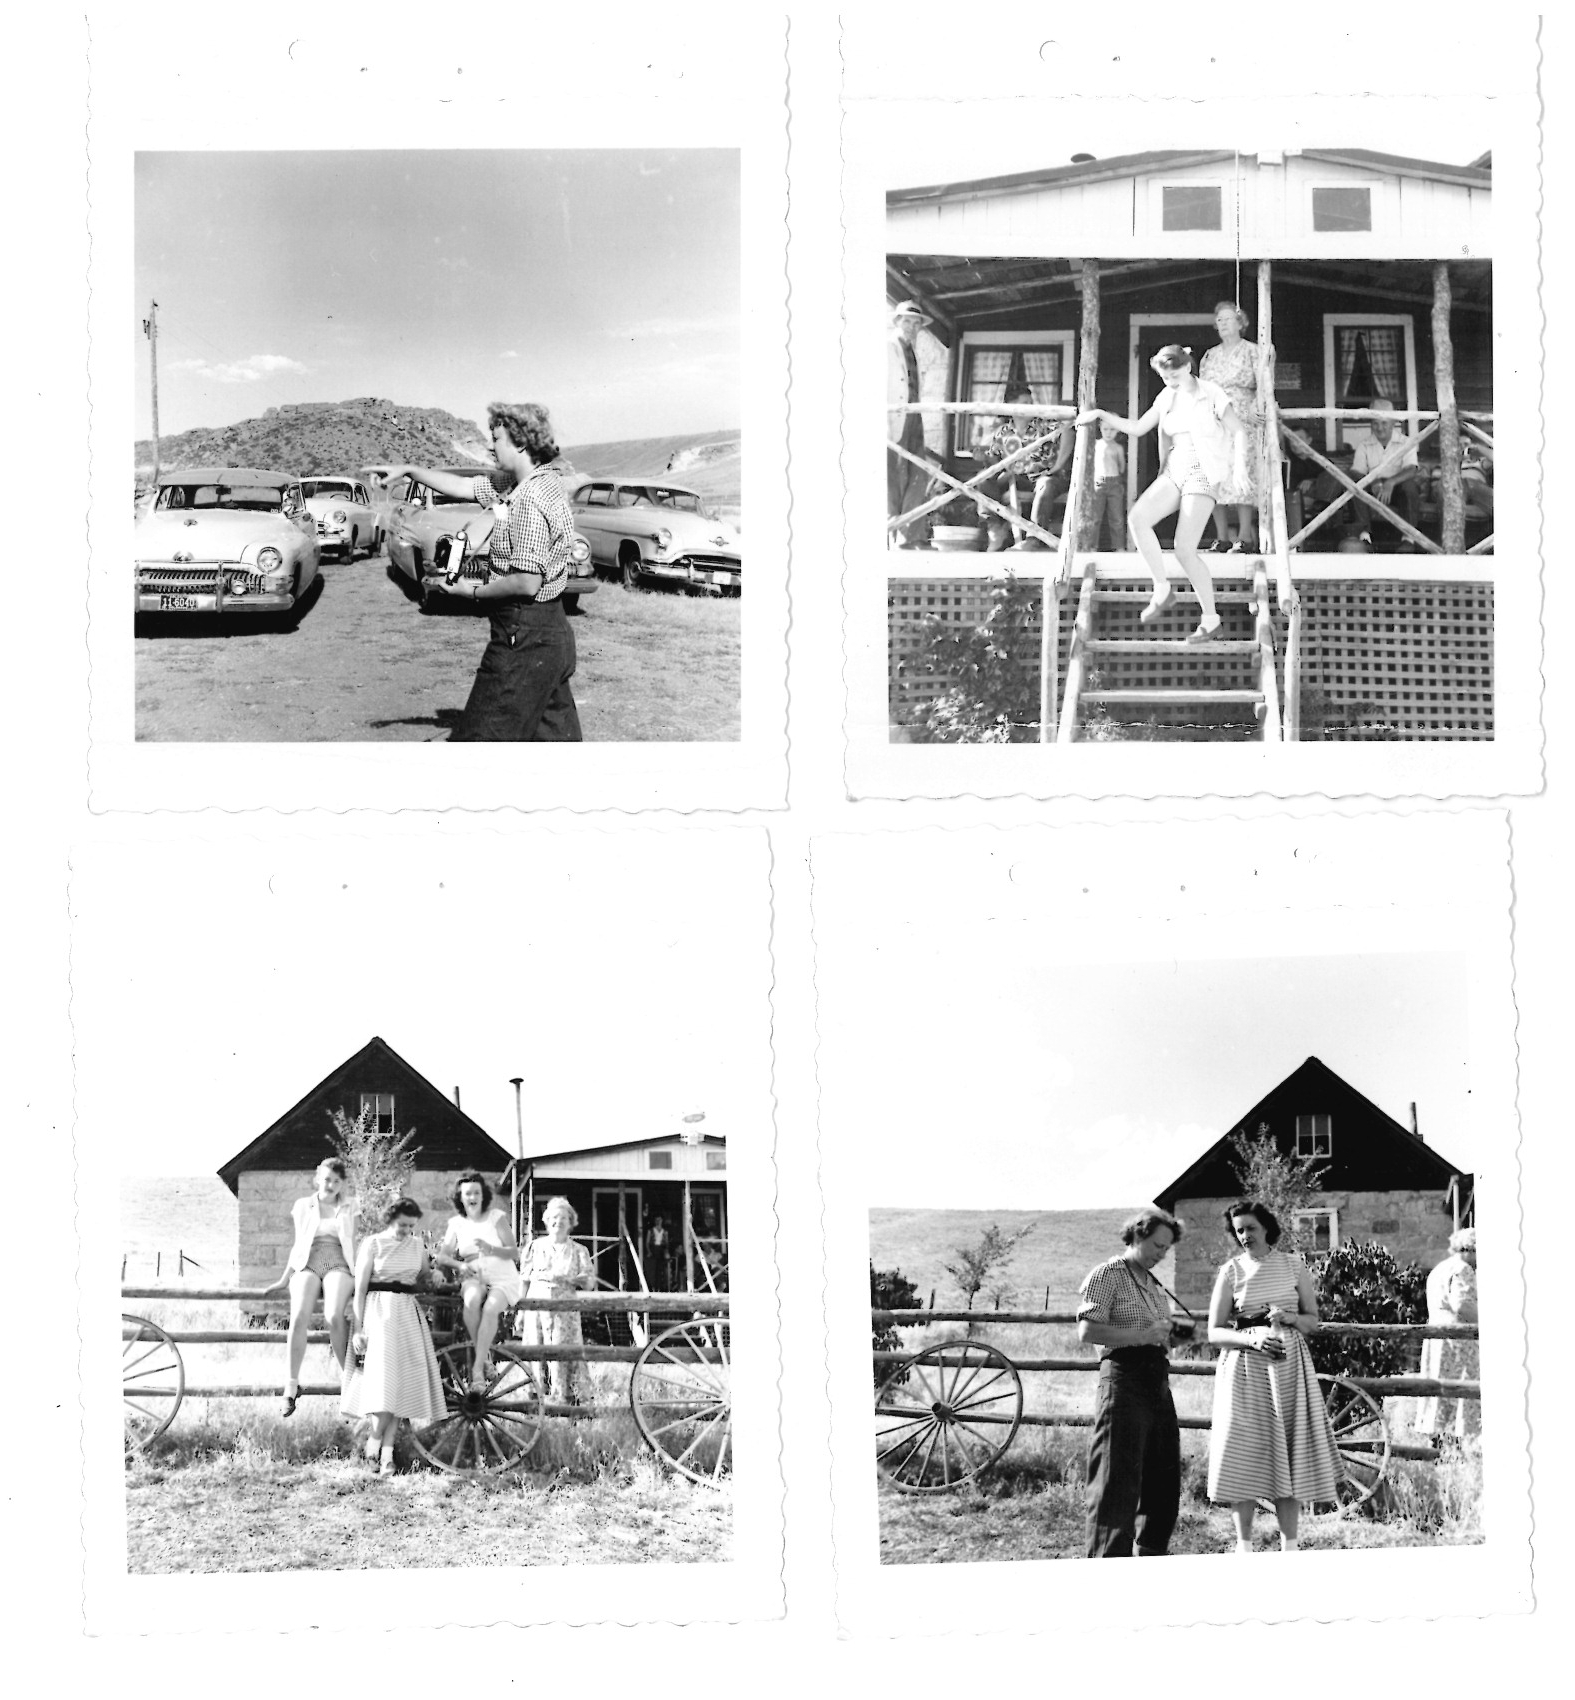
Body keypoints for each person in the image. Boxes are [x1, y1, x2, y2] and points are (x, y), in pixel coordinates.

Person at [386, 402, 581, 741]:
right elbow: (465, 487)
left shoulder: (529, 497)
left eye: (497, 439)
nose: (491, 447)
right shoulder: (531, 482)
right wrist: (410, 470)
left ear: (521, 442)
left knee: (480, 738)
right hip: (549, 633)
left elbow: (526, 582)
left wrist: (471, 591)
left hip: (524, 636)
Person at [1077, 346, 1249, 644]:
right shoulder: (1167, 396)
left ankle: (1211, 620)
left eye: (1175, 374)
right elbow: (1138, 427)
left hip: (1204, 470)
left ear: (1188, 367)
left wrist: (1240, 468)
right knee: (1138, 519)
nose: (1170, 381)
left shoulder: (1211, 393)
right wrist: (1102, 414)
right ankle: (1162, 588)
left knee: (1184, 549)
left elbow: (1239, 431)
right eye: (1165, 377)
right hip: (1175, 468)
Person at [1205, 1202, 1341, 1553]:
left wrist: (1290, 1318)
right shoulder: (1230, 1271)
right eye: (1239, 1230)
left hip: (1288, 1367)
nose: (1244, 1236)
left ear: (1266, 1227)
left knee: (1290, 1449)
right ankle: (1244, 1546)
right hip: (1245, 1370)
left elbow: (1312, 1321)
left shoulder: (1293, 1265)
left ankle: (1290, 1546)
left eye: (1250, 1228)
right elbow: (1214, 1332)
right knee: (1243, 1449)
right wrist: (1251, 1339)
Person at [1077, 1208, 1186, 1557]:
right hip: (1123, 1378)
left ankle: (1150, 1556)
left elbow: (1156, 1334)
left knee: (1162, 1476)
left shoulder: (1154, 1284)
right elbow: (1087, 1330)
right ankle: (1109, 1563)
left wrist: (1171, 1335)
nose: (1162, 1254)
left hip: (1156, 1379)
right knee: (1116, 1477)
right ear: (1138, 1235)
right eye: (1157, 1245)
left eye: (1166, 1248)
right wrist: (1142, 1335)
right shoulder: (1108, 1273)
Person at [341, 1197, 446, 1476]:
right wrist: (359, 1329)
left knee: (401, 1386)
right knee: (384, 1385)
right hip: (379, 1314)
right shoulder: (372, 1244)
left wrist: (435, 1275)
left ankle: (386, 1456)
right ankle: (372, 1448)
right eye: (402, 1225)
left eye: (411, 1226)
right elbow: (360, 1290)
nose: (406, 1231)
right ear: (390, 1220)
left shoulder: (417, 1245)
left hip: (408, 1315)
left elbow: (423, 1277)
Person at [264, 1157, 358, 1417]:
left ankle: (349, 1381)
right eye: (326, 1179)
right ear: (318, 1178)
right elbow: (299, 1244)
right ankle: (291, 1386)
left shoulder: (351, 1206)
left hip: (338, 1261)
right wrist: (285, 1278)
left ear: (342, 1184)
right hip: (308, 1261)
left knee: (334, 1316)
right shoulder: (303, 1205)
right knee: (298, 1317)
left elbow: (353, 1243)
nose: (330, 1185)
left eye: (336, 1181)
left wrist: (360, 1275)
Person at [434, 1170, 519, 1391]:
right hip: (473, 1274)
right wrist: (460, 1265)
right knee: (471, 1300)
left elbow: (513, 1252)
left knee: (490, 1309)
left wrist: (491, 1249)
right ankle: (485, 1357)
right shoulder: (456, 1223)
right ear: (460, 1197)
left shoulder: (496, 1217)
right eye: (467, 1193)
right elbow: (443, 1256)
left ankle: (478, 1370)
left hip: (502, 1275)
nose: (472, 1197)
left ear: (483, 1196)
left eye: (476, 1193)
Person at [1198, 301, 1264, 552]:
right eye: (1219, 320)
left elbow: (1263, 385)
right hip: (1215, 419)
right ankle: (1222, 536)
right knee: (1215, 475)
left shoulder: (1252, 351)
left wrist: (1256, 405)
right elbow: (1202, 389)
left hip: (1243, 418)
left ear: (1240, 323)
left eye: (1228, 319)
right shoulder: (1210, 355)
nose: (1223, 323)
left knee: (1241, 472)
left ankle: (1245, 537)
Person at [522, 1196, 597, 1403]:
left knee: (565, 1351)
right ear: (546, 1220)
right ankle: (536, 1399)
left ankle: (566, 1398)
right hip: (537, 1308)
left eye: (563, 1218)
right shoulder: (534, 1247)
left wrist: (578, 1279)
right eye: (554, 1217)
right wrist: (520, 1311)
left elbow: (589, 1283)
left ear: (571, 1222)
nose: (558, 1221)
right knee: (536, 1348)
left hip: (565, 1312)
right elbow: (524, 1281)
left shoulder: (579, 1251)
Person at [1417, 1228, 1479, 1442]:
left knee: (1440, 1390)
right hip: (1458, 1340)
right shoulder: (1463, 1269)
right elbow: (1463, 1305)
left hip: (1437, 1336)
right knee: (1464, 1389)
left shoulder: (1440, 1268)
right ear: (1470, 1250)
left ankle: (1440, 1441)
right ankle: (1461, 1441)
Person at [888, 301, 935, 547]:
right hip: (892, 419)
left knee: (918, 472)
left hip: (914, 417)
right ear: (897, 322)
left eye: (916, 324)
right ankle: (893, 536)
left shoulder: (914, 351)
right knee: (893, 476)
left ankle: (909, 536)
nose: (912, 327)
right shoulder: (887, 347)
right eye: (907, 321)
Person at [1348, 397, 1420, 549]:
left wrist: (1390, 482)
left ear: (1393, 423)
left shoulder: (1406, 442)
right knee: (1355, 484)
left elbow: (1411, 469)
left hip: (1397, 491)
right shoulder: (1364, 445)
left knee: (1409, 486)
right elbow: (1356, 472)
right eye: (1375, 423)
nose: (1379, 428)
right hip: (1373, 490)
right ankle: (1364, 537)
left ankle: (1408, 539)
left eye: (1384, 423)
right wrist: (1373, 481)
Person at [1091, 420, 1128, 550]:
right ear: (1100, 429)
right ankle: (1092, 546)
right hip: (1098, 482)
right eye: (1105, 429)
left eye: (1112, 430)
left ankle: (1119, 547)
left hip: (1114, 482)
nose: (1108, 433)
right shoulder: (1095, 445)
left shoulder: (1118, 448)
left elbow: (1122, 467)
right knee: (1095, 517)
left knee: (1117, 518)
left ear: (1117, 430)